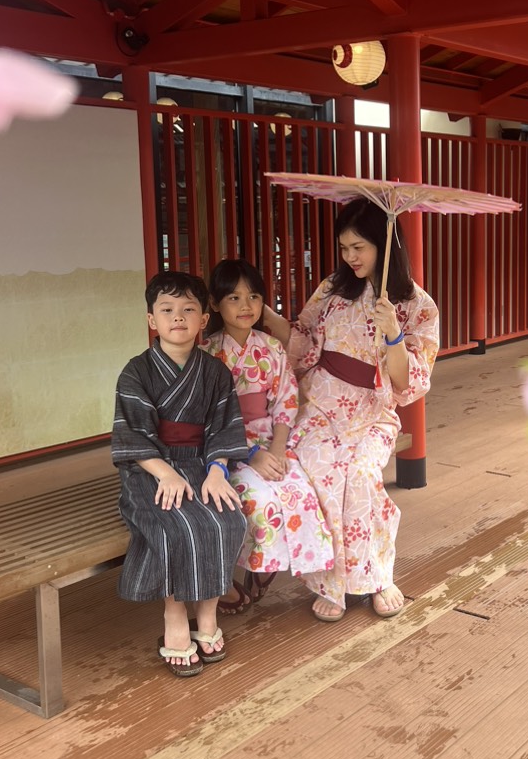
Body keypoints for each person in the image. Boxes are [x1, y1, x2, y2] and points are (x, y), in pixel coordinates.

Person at [264, 198, 439, 623]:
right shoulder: (332, 289)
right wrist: (260, 313)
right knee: (319, 471)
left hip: (372, 412)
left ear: (384, 244)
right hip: (321, 403)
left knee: (360, 477)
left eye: (359, 247)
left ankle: (378, 575)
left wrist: (394, 335)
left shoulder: (417, 305)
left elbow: (408, 382)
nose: (350, 257)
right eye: (344, 248)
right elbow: (302, 339)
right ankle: (332, 582)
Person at [111, 271, 249, 676]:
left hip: (201, 463)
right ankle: (174, 615)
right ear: (151, 319)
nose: (178, 317)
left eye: (189, 309)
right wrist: (165, 474)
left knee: (228, 520)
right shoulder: (136, 372)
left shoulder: (215, 373)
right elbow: (132, 435)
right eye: (167, 309)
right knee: (175, 526)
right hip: (150, 469)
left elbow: (224, 428)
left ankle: (207, 616)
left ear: (203, 319)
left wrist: (218, 471)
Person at [204, 258, 332, 615]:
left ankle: (271, 566)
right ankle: (254, 564)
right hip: (226, 450)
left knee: (301, 491)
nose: (245, 306)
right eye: (234, 298)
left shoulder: (272, 347)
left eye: (254, 297)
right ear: (214, 303)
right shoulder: (207, 354)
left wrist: (276, 449)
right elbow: (208, 420)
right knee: (258, 499)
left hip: (270, 438)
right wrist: (250, 454)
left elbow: (286, 401)